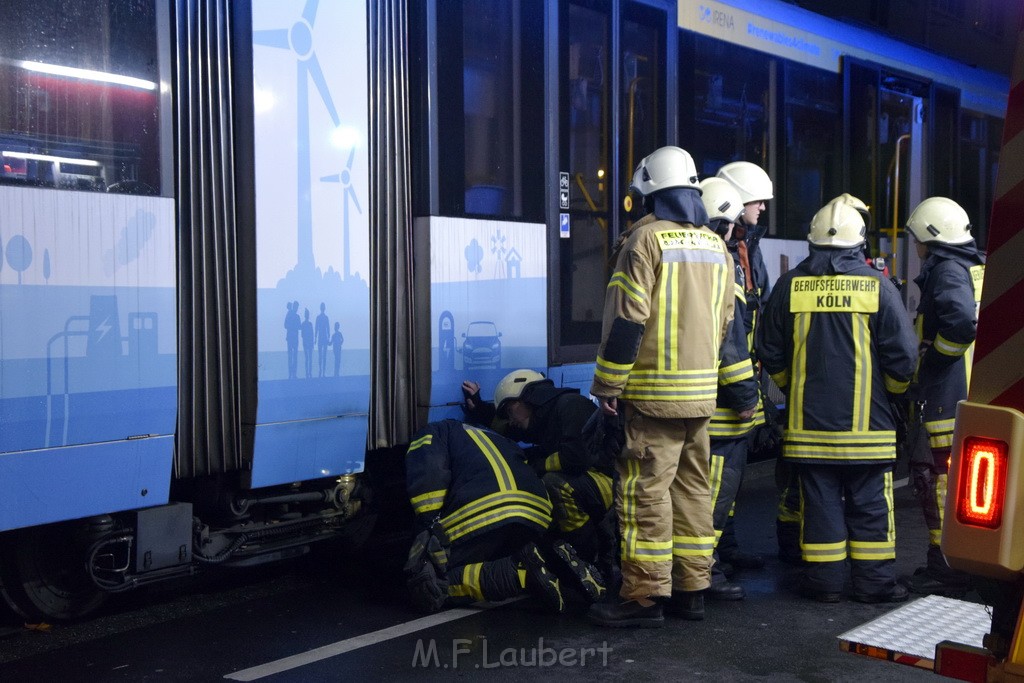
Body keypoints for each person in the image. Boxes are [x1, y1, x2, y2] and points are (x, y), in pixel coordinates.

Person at [588, 146, 734, 627]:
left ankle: (645, 597)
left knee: (645, 492)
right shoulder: (716, 245)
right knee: (693, 490)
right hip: (700, 397)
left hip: (653, 396)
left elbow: (628, 322)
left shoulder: (644, 242)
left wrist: (608, 385)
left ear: (648, 191)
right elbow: (726, 322)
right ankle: (692, 589)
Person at [757, 195, 918, 603]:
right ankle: (875, 586)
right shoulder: (878, 286)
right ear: (859, 243)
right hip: (870, 430)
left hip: (809, 431)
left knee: (820, 508)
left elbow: (769, 348)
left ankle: (825, 585)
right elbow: (903, 357)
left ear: (812, 242)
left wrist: (794, 387)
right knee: (871, 509)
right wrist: (893, 397)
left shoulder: (790, 284)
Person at [403, 419, 603, 614]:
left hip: (484, 510)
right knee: (505, 549)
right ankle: (552, 561)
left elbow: (429, 475)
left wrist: (429, 525)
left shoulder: (433, 430)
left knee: (430, 586)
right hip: (536, 510)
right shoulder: (497, 436)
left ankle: (521, 575)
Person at [901, 197, 985, 596]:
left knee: (937, 479)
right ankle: (967, 561)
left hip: (948, 397)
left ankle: (945, 564)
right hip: (974, 393)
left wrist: (934, 358)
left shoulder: (946, 271)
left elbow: (962, 322)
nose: (915, 247)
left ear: (930, 239)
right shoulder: (977, 265)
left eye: (917, 240)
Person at [462, 370, 615, 579]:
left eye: (508, 411)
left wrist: (538, 465)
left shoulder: (571, 405)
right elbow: (513, 430)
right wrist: (480, 409)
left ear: (526, 399)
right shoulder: (546, 416)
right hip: (594, 481)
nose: (510, 419)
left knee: (553, 482)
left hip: (612, 483)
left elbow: (576, 458)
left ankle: (587, 556)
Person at [698, 177, 761, 600]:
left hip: (690, 397)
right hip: (722, 407)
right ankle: (705, 572)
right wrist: (747, 397)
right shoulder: (722, 264)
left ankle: (707, 564)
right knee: (712, 497)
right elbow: (731, 338)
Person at [715, 161, 776, 571]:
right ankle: (709, 559)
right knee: (717, 479)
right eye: (758, 201)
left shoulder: (747, 248)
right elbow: (728, 328)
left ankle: (727, 545)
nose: (763, 210)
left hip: (741, 380)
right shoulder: (724, 251)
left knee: (730, 475)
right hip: (724, 388)